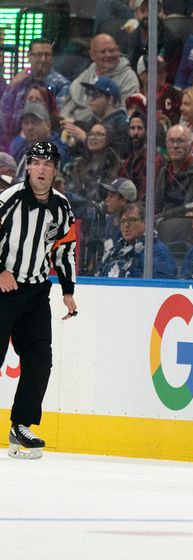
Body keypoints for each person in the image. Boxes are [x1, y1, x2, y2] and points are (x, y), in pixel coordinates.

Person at [0, 141, 78, 459]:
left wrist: (68, 290)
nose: (42, 169)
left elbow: (64, 249)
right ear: (28, 167)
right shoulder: (8, 200)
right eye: (37, 163)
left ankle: (21, 425)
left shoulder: (61, 207)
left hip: (35, 293)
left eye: (48, 164)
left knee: (39, 358)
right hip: (2, 289)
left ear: (55, 170)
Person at [0, 38, 70, 149]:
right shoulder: (20, 81)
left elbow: (56, 121)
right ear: (29, 56)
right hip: (12, 140)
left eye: (47, 55)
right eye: (38, 55)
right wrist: (11, 86)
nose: (43, 59)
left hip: (43, 141)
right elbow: (3, 114)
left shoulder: (61, 84)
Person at [62, 34, 139, 123]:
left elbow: (125, 113)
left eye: (112, 50)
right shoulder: (86, 74)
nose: (108, 55)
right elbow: (67, 109)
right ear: (92, 55)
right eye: (103, 52)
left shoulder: (129, 77)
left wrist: (79, 121)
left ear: (118, 50)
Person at [96, 201, 177, 278]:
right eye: (123, 221)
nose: (126, 225)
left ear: (145, 222)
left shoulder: (157, 252)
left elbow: (158, 288)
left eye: (131, 220)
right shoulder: (114, 252)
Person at [154, 124, 193, 215]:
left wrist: (156, 218)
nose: (175, 146)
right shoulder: (164, 171)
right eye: (171, 141)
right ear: (166, 145)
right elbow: (157, 205)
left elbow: (188, 208)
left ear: (191, 145)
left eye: (180, 141)